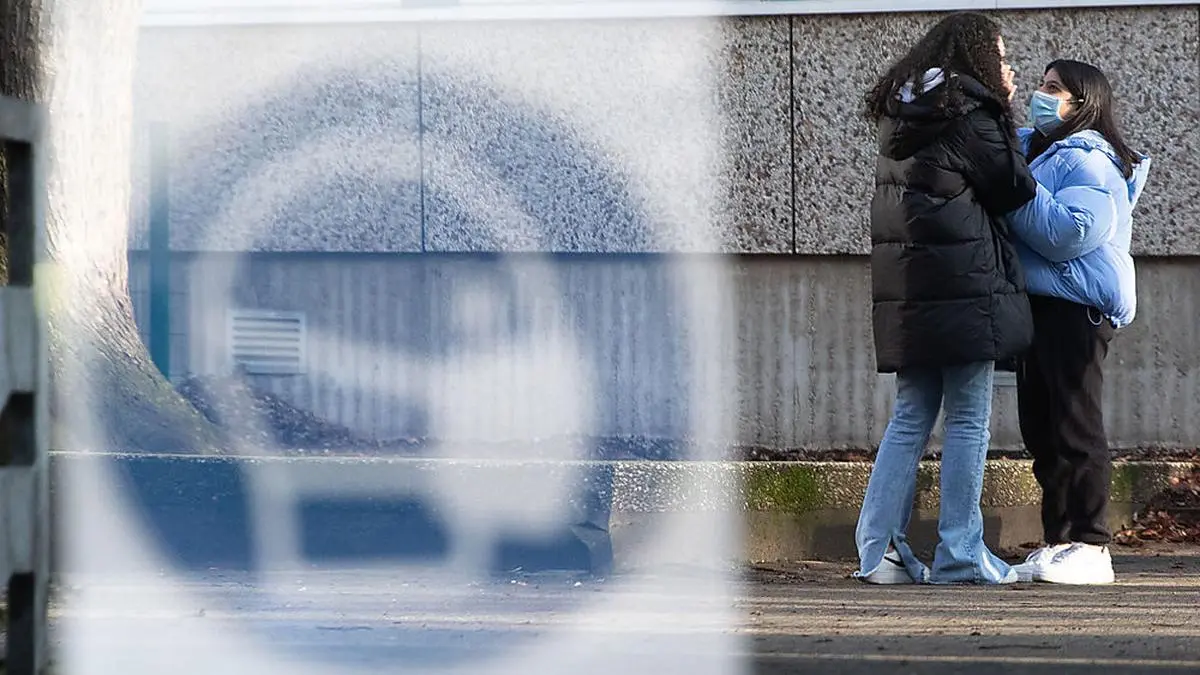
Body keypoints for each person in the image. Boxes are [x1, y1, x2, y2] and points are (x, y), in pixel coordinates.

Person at [855, 12, 1037, 585]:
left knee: (910, 416)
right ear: (977, 57)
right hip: (965, 287)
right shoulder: (970, 114)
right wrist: (1003, 110)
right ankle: (961, 552)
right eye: (1002, 59)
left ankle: (878, 553)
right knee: (968, 421)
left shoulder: (903, 113)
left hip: (911, 289)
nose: (1008, 70)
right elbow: (1014, 186)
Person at [1006, 60, 1150, 585]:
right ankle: (1059, 540)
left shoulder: (1090, 158)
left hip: (1076, 309)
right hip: (1042, 306)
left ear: (1082, 103)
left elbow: (1072, 232)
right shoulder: (1042, 152)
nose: (1040, 96)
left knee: (1074, 424)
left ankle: (1092, 544)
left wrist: (1014, 192)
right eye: (1041, 86)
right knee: (1042, 429)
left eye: (1052, 89)